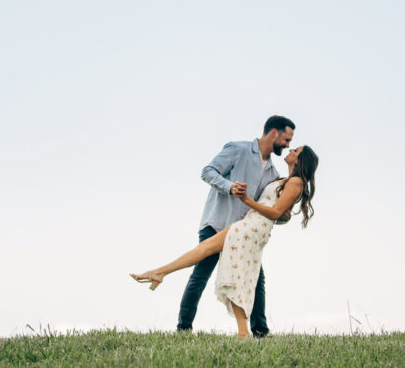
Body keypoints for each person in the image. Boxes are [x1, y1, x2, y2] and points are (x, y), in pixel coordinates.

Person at [131, 144, 318, 337]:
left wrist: (245, 200)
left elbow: (276, 212)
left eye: (295, 150)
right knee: (214, 256)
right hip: (249, 224)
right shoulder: (283, 179)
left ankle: (244, 331)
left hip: (253, 228)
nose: (290, 150)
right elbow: (278, 210)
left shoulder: (296, 182)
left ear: (300, 160)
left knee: (235, 273)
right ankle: (159, 272)